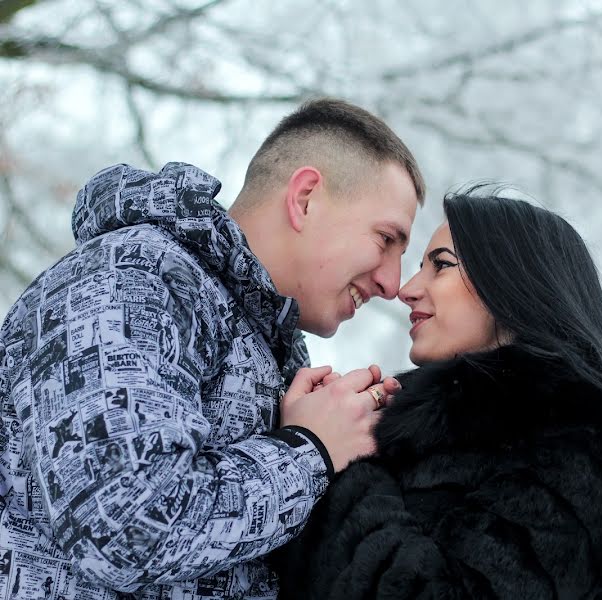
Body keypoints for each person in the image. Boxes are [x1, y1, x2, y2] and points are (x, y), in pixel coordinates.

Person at [0, 98, 425, 599]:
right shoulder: (131, 281)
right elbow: (125, 528)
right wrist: (307, 448)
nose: (393, 283)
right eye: (385, 240)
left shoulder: (266, 343)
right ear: (306, 198)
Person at [274, 190, 602, 600]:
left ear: (513, 282)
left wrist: (339, 458)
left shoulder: (570, 439)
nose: (407, 288)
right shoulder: (440, 430)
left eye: (441, 265)